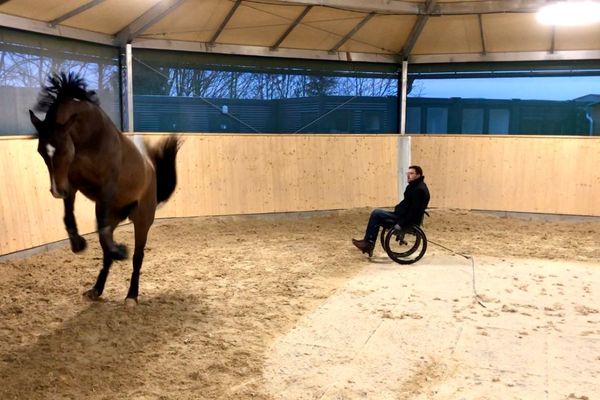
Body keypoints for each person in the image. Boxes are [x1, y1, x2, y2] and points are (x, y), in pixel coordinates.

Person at [352, 165, 430, 257]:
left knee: (376, 213)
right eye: (407, 174)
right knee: (377, 214)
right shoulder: (414, 186)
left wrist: (400, 224)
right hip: (400, 215)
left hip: (404, 219)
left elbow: (413, 212)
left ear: (418, 175)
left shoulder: (419, 190)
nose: (408, 176)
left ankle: (368, 243)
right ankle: (369, 242)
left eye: (411, 174)